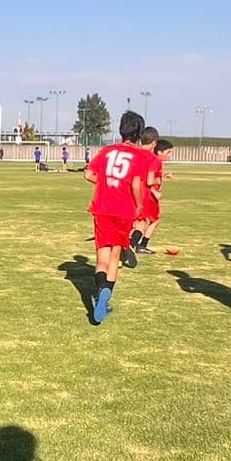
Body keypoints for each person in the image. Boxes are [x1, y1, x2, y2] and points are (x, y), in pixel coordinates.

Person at [83, 110, 148, 323]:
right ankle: (106, 295)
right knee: (115, 256)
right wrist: (139, 206)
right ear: (139, 133)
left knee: (102, 258)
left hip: (102, 208)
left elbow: (88, 174)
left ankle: (101, 289)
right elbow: (136, 184)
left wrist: (106, 183)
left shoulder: (107, 151)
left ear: (121, 130)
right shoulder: (139, 156)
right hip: (124, 210)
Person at [129, 127, 164, 257]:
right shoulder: (152, 158)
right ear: (154, 143)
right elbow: (149, 181)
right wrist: (158, 180)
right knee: (141, 223)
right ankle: (129, 247)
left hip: (126, 191)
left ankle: (125, 247)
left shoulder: (132, 153)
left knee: (129, 223)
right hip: (142, 194)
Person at [134, 136, 173, 253]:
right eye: (168, 152)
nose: (170, 155)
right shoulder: (154, 161)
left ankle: (138, 244)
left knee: (150, 220)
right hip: (149, 196)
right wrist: (155, 191)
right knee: (147, 220)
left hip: (149, 195)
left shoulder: (155, 161)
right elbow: (148, 180)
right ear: (159, 152)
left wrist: (163, 176)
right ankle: (135, 244)